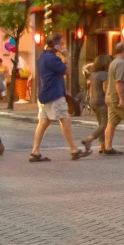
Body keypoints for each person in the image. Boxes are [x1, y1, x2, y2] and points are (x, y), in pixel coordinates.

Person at [28, 33, 85, 162]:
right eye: (62, 43)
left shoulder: (43, 57)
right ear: (56, 45)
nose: (64, 45)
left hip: (45, 93)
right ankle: (74, 150)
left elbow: (54, 76)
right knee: (65, 120)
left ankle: (35, 151)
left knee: (43, 122)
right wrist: (67, 56)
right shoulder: (53, 59)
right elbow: (67, 71)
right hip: (54, 95)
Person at [80, 54, 110, 154]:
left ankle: (102, 146)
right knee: (104, 124)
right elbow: (106, 90)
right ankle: (90, 139)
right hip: (102, 101)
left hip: (93, 101)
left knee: (100, 123)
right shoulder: (104, 75)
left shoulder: (93, 74)